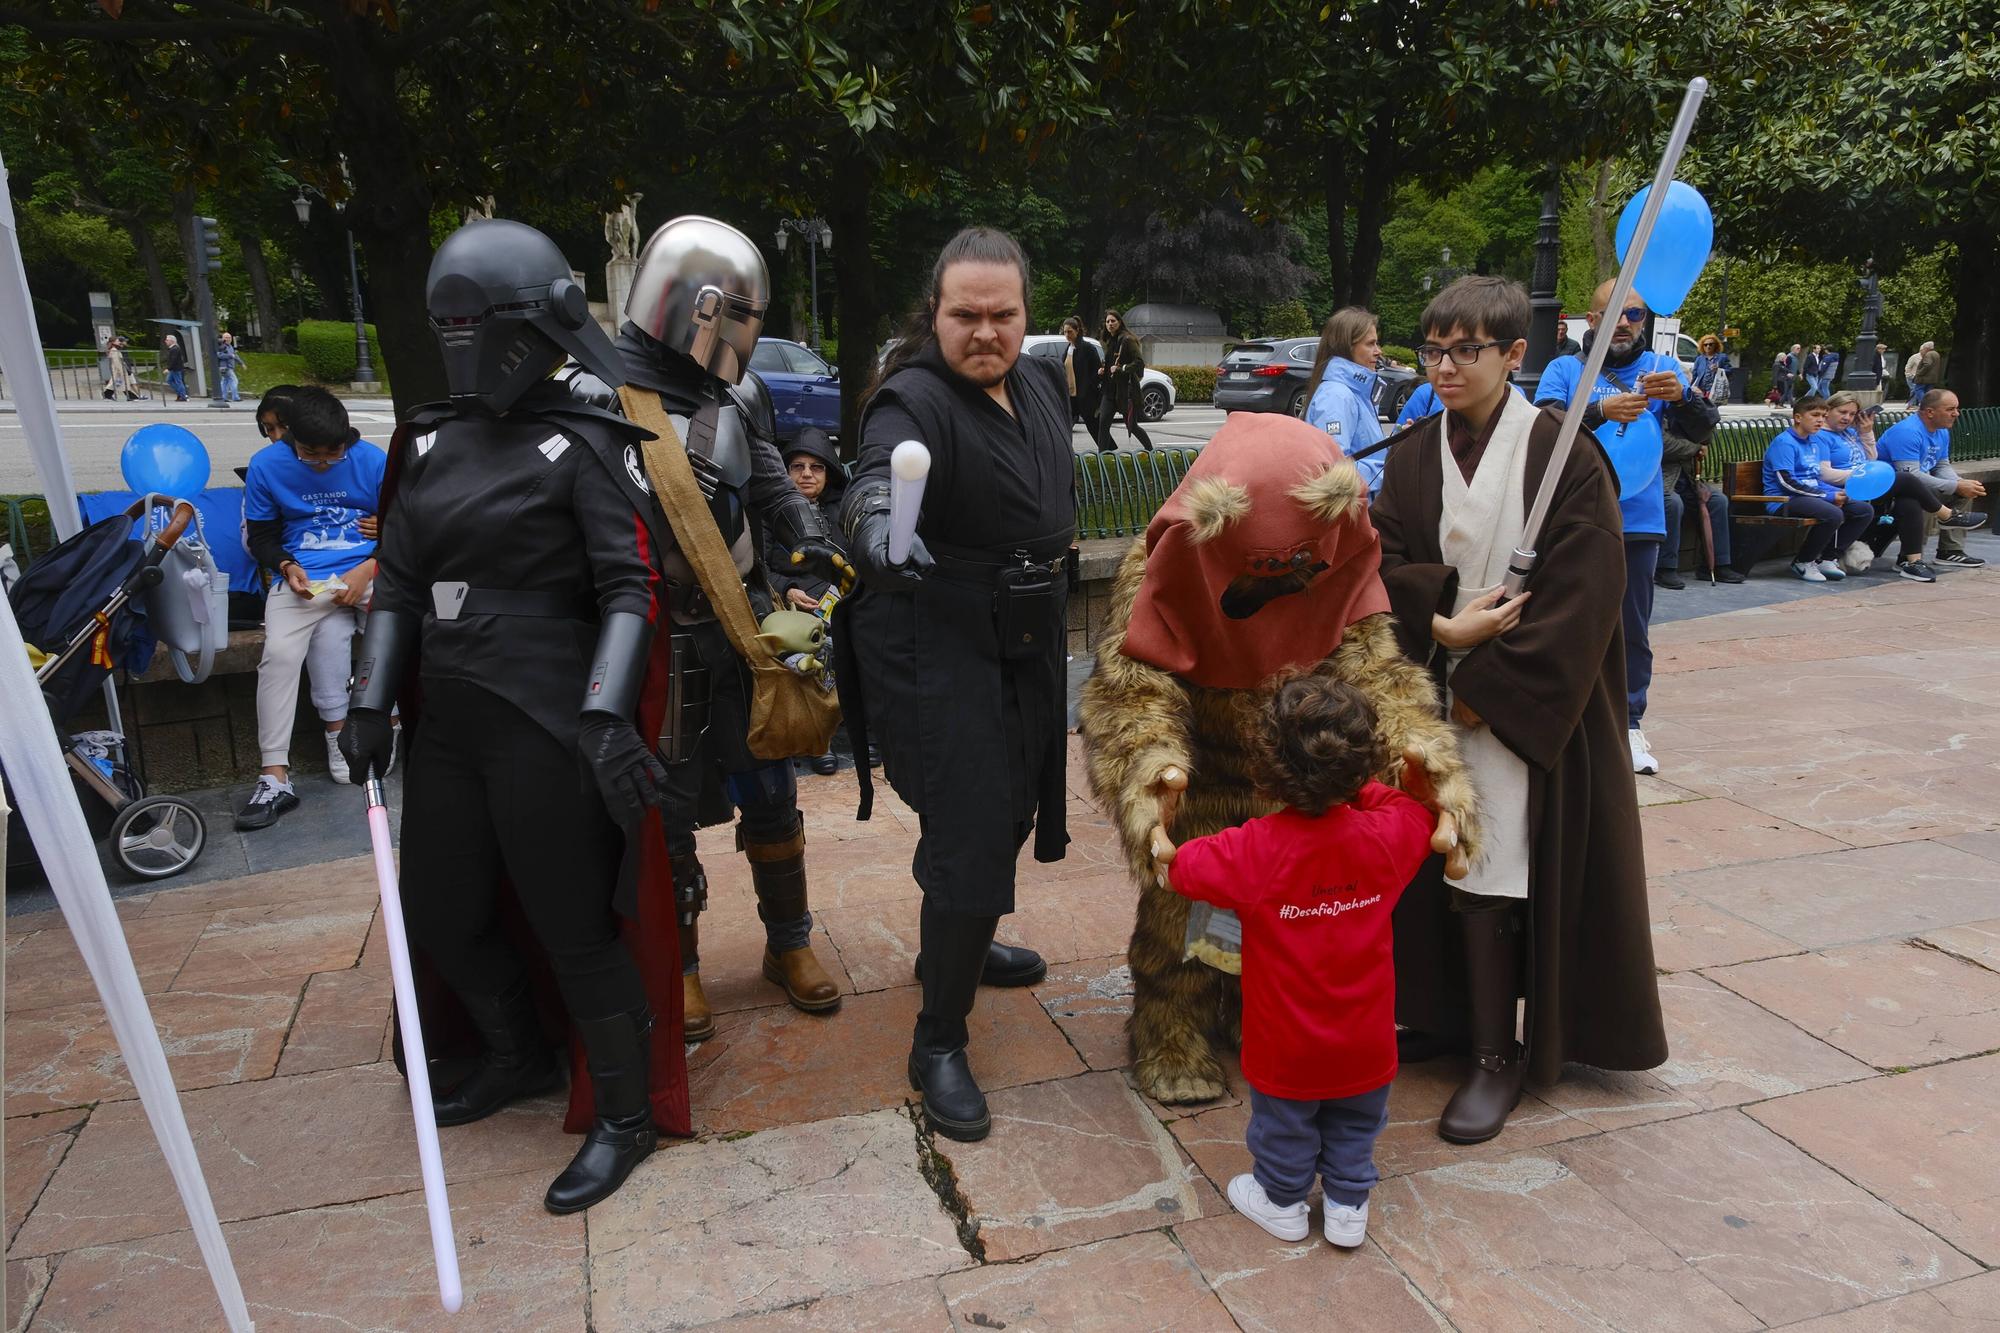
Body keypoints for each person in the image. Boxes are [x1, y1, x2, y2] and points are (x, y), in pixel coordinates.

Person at [339, 219, 675, 1214]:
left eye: (470, 322)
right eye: (443, 323)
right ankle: (515, 1052)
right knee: (441, 906)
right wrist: (367, 701)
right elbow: (398, 586)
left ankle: (626, 1111)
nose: (457, 340)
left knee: (573, 921)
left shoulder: (585, 440)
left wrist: (607, 713)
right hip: (448, 710)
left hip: (546, 710)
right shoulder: (432, 442)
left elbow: (630, 588)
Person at [1370, 274, 1664, 1145]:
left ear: (1514, 354)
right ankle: (1448, 1016)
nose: (1447, 366)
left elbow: (1586, 591)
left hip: (1523, 705)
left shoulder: (1564, 454)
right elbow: (1380, 556)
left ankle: (1499, 1055)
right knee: (1426, 856)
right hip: (1434, 686)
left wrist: (1488, 691)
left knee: (1490, 865)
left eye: (1468, 349)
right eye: (1433, 349)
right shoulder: (1415, 451)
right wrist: (1437, 624)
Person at [570, 215, 857, 1042]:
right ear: (700, 306)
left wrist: (808, 554)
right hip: (650, 639)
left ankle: (789, 945)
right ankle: (683, 965)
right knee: (660, 813)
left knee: (773, 794)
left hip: (738, 630)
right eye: (739, 312)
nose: (745, 330)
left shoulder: (738, 395)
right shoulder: (596, 394)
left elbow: (773, 492)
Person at [841, 226, 1074, 1142]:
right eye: (964, 314)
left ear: (1025, 314)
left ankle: (960, 939)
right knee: (973, 819)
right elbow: (870, 485)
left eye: (1002, 314)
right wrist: (875, 532)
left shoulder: (1042, 384)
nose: (985, 332)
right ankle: (938, 1038)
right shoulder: (912, 401)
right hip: (934, 631)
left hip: (1023, 630)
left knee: (1012, 803)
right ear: (932, 314)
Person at [1148, 677, 1434, 1248]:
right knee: (1357, 1124)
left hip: (1287, 1043)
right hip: (1367, 1038)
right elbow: (1410, 808)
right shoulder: (1390, 835)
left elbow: (1179, 867)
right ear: (1362, 762)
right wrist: (1360, 791)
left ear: (1265, 767)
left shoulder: (1252, 849)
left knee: (1285, 1127)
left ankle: (1281, 1200)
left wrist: (1158, 828)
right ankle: (1349, 1206)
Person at [1534, 280, 1697, 778]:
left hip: (1638, 518)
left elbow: (1698, 435)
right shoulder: (1566, 369)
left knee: (1632, 626)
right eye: (1615, 314)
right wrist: (1599, 410)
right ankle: (1558, 714)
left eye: (1635, 315)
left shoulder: (1663, 370)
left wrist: (1686, 399)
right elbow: (1541, 425)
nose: (1624, 324)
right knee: (1562, 618)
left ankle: (1629, 723)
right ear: (1593, 318)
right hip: (1574, 514)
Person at [234, 387, 387, 830]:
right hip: (307, 578)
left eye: (333, 454)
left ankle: (404, 732)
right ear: (289, 441)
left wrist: (369, 567)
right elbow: (261, 536)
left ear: (349, 440)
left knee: (416, 631)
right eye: (309, 454)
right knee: (278, 655)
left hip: (370, 569)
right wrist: (286, 565)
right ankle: (274, 775)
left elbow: (409, 527)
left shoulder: (372, 460)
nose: (322, 462)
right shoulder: (267, 465)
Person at [1819, 393, 1980, 582]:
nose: (1847, 417)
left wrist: (1866, 433)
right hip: (1847, 486)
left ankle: (1913, 562)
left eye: (1852, 414)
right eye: (1842, 412)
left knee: (1910, 499)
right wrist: (1860, 476)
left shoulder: (1850, 433)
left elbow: (1870, 459)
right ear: (1828, 411)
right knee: (1907, 480)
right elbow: (1825, 474)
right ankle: (1946, 516)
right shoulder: (1822, 436)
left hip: (1869, 484)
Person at [770, 426, 849, 775]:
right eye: (797, 466)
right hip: (788, 607)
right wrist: (786, 588)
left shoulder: (843, 514)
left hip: (841, 603)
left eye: (816, 467)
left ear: (828, 474)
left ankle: (867, 731)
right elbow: (753, 566)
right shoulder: (768, 516)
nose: (806, 474)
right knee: (810, 649)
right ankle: (818, 739)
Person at [1760, 396, 1874, 583]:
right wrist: (1828, 496)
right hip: (1784, 500)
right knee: (1833, 514)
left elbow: (1814, 479)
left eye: (1823, 415)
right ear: (1798, 417)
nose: (1820, 420)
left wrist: (1840, 493)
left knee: (1863, 510)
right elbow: (1786, 482)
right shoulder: (1785, 442)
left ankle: (1828, 558)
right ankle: (1803, 561)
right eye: (1815, 415)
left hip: (1809, 497)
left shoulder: (1812, 442)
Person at [1880, 389, 1986, 570]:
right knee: (1924, 494)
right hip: (1892, 491)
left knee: (1966, 488)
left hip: (1919, 483)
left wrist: (1959, 484)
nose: (1956, 414)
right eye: (1950, 409)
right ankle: (1909, 556)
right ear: (1930, 412)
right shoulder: (1907, 432)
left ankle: (1950, 551)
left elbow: (1941, 465)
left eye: (1957, 408)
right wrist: (1954, 486)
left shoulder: (1941, 431)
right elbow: (1910, 475)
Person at [1302, 307, 1387, 492]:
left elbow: (1362, 450)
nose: (1378, 351)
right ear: (1348, 347)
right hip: (1356, 514)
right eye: (1370, 344)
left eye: (1377, 343)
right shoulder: (1337, 396)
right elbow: (1334, 472)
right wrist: (1388, 470)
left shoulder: (1353, 392)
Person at [1658, 426, 1743, 587]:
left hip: (1688, 479)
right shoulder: (1655, 408)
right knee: (1673, 504)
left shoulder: (1686, 406)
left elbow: (1706, 435)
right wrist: (1694, 448)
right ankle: (1665, 567)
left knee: (1718, 501)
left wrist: (1701, 411)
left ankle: (1716, 564)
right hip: (1661, 478)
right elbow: (1664, 444)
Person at [1097, 308, 1154, 451]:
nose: (1110, 324)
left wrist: (1121, 368)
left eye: (1113, 321)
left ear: (1119, 322)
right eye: (1107, 321)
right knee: (1103, 424)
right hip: (1109, 391)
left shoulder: (1127, 340)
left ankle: (1150, 451)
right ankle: (1102, 457)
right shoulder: (1109, 340)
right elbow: (1110, 363)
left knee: (1132, 426)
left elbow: (1139, 363)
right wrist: (1103, 371)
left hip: (1125, 391)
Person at [1060, 315, 1109, 451]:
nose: (1067, 335)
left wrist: (1090, 386)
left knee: (1093, 425)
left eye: (1069, 332)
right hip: (1070, 395)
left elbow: (1098, 371)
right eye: (1065, 332)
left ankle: (1107, 450)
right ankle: (1066, 452)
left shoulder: (1087, 348)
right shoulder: (1068, 349)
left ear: (1077, 330)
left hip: (1086, 396)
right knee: (1065, 425)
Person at [1691, 334, 1731, 403]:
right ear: (1702, 346)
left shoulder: (1722, 357)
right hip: (1701, 390)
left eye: (1711, 344)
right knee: (1702, 409)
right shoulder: (1699, 359)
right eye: (1705, 345)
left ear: (1715, 345)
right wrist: (1690, 387)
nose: (1708, 346)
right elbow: (1694, 375)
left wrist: (1718, 370)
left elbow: (1730, 371)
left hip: (1715, 390)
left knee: (1711, 410)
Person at [1906, 340, 1941, 408]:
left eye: (1924, 348)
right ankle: (1929, 405)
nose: (1923, 350)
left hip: (1924, 378)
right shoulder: (1936, 354)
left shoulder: (1928, 354)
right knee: (1928, 392)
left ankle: (1924, 404)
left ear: (1927, 348)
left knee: (1918, 389)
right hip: (1932, 378)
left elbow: (1927, 365)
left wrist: (1919, 373)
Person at [104, 335, 139, 401]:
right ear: (113, 342)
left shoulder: (115, 350)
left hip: (118, 370)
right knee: (122, 384)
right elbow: (116, 362)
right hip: (118, 370)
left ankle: (107, 395)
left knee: (117, 384)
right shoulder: (114, 350)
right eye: (117, 341)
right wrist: (121, 371)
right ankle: (131, 397)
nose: (119, 342)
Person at [216, 331, 243, 403]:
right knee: (234, 381)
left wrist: (241, 363)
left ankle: (223, 397)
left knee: (225, 382)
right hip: (226, 367)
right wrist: (230, 356)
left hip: (227, 367)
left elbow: (235, 356)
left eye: (229, 337)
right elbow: (219, 355)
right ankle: (235, 397)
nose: (228, 339)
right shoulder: (221, 346)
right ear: (222, 338)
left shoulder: (230, 346)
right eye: (226, 337)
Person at [162, 333, 188, 401]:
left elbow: (173, 360)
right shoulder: (173, 349)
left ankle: (183, 395)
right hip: (174, 369)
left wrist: (168, 368)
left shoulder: (175, 349)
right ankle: (180, 393)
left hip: (176, 369)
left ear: (172, 341)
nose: (165, 341)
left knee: (178, 382)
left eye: (167, 340)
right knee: (169, 380)